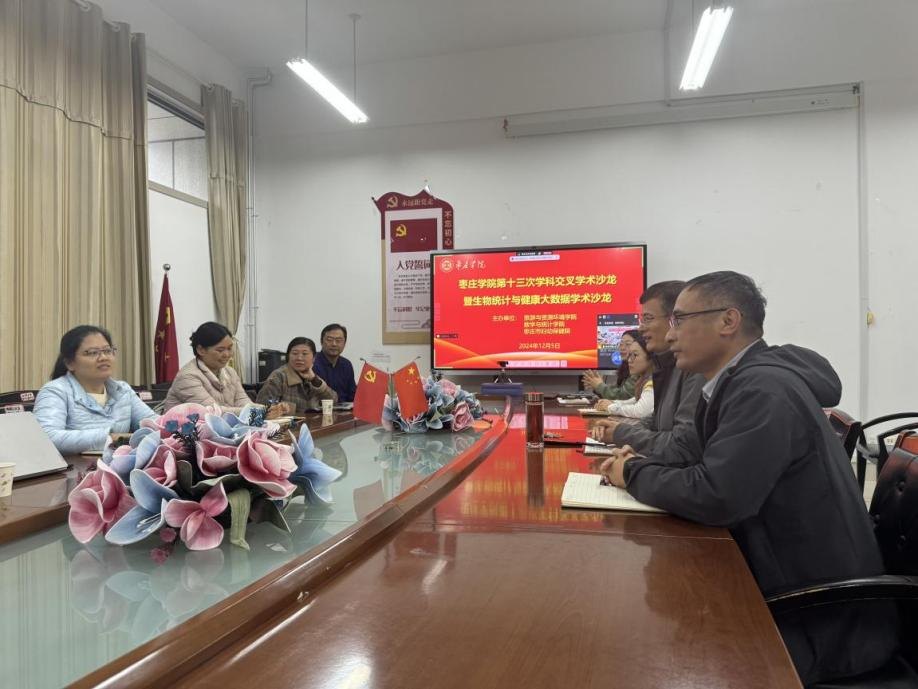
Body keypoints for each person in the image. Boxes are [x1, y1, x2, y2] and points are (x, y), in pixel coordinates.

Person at [600, 271, 896, 684]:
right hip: (782, 584)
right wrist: (642, 467)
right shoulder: (737, 383)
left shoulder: (762, 389)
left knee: (641, 648)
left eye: (679, 320)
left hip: (819, 619)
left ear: (728, 321)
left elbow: (717, 496)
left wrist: (632, 472)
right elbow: (702, 466)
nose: (668, 335)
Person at [591, 281, 704, 455]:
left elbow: (682, 445)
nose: (641, 328)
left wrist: (629, 460)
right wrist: (621, 430)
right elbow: (656, 420)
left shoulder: (696, 368)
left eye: (648, 319)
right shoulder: (667, 365)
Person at [33, 325, 158, 454]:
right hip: (74, 465)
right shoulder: (55, 391)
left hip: (119, 462)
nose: (103, 357)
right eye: (93, 353)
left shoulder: (122, 390)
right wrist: (114, 438)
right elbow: (46, 437)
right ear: (70, 363)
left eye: (108, 351)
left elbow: (153, 423)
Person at [164, 322, 252, 414]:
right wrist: (254, 412)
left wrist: (259, 410)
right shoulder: (187, 377)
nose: (227, 354)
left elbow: (242, 401)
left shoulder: (230, 372)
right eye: (220, 350)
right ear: (200, 350)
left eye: (229, 348)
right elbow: (213, 412)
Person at [256, 337, 337, 414]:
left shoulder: (312, 375)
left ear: (314, 358)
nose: (299, 358)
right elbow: (262, 408)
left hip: (314, 422)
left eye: (305, 354)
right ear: (288, 356)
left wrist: (314, 380)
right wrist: (281, 408)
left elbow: (333, 401)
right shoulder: (278, 377)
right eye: (295, 353)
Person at [593, 333, 654, 418]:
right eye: (630, 355)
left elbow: (640, 411)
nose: (629, 360)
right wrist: (612, 403)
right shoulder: (643, 379)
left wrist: (610, 407)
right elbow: (634, 401)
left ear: (651, 357)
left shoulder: (653, 381)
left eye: (635, 355)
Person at [581, 329, 639, 401]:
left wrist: (599, 386)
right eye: (621, 344)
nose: (622, 348)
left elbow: (623, 396)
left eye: (628, 344)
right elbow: (616, 390)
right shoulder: (625, 367)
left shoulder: (639, 370)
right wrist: (597, 385)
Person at [312, 323, 357, 403]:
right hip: (319, 408)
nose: (334, 344)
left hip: (345, 408)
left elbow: (352, 396)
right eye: (329, 340)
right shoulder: (312, 362)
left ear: (344, 343)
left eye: (338, 340)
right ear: (321, 342)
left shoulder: (346, 364)